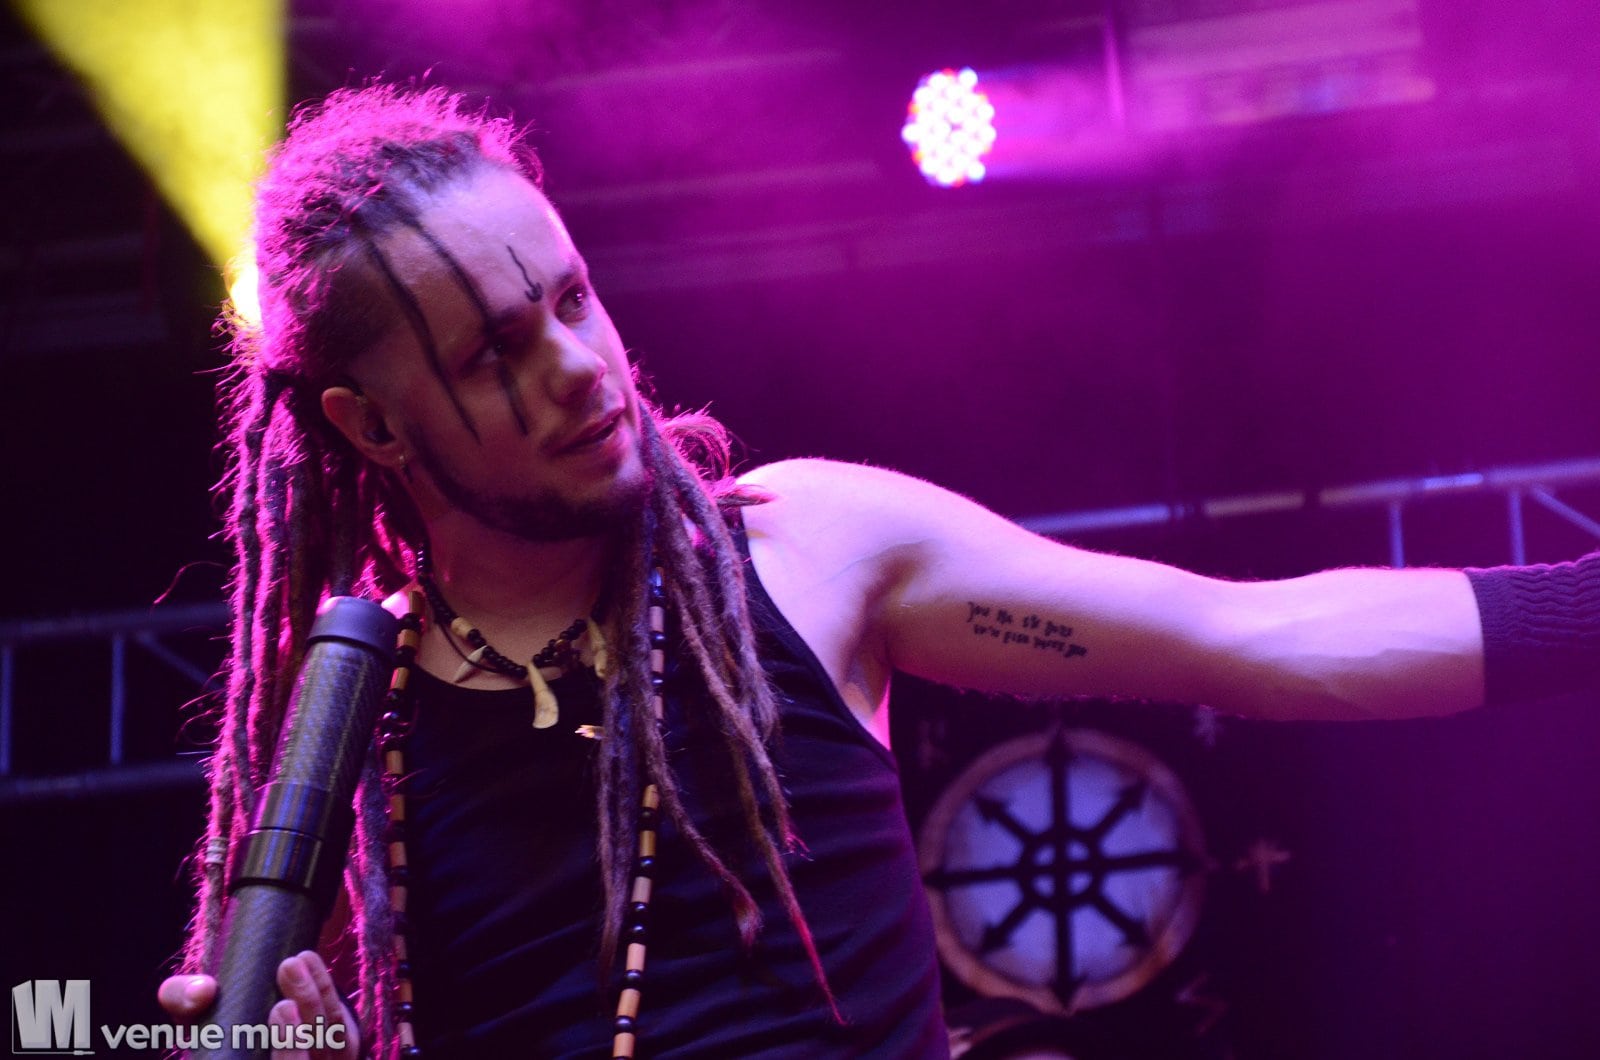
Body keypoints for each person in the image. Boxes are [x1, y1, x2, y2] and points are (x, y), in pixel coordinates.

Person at [157, 83, 1600, 1059]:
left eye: (573, 299)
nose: (581, 369)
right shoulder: (339, 734)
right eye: (493, 353)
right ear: (371, 425)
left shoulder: (805, 551)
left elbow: (1266, 641)